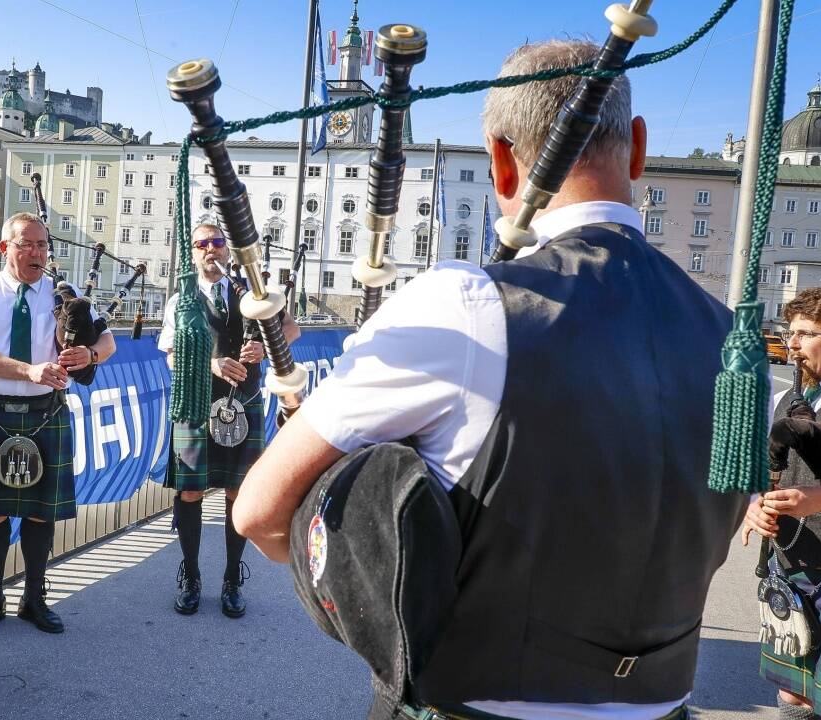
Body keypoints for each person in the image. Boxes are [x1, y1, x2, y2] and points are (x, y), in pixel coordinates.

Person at [234, 40, 747, 718]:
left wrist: (348, 499)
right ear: (639, 148)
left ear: (500, 160)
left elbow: (259, 514)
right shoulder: (730, 338)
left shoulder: (467, 305)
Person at [0, 211, 115, 638]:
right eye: (27, 244)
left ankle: (35, 598)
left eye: (43, 245)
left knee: (41, 515)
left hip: (48, 412)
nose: (37, 252)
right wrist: (29, 371)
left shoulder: (65, 294)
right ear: (6, 248)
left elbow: (107, 340)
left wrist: (90, 356)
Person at [158, 223, 300, 618]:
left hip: (246, 402)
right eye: (201, 244)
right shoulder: (180, 302)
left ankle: (233, 578)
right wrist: (211, 364)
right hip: (196, 405)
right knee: (190, 493)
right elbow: (170, 355)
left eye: (217, 243)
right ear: (192, 254)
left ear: (227, 250)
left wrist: (269, 344)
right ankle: (190, 576)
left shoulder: (252, 295)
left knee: (239, 492)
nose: (210, 250)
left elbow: (291, 327)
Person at [745, 287, 821, 720]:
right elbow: (765, 468)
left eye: (806, 334)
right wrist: (754, 502)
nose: (791, 343)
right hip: (791, 567)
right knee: (795, 696)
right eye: (791, 332)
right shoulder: (788, 397)